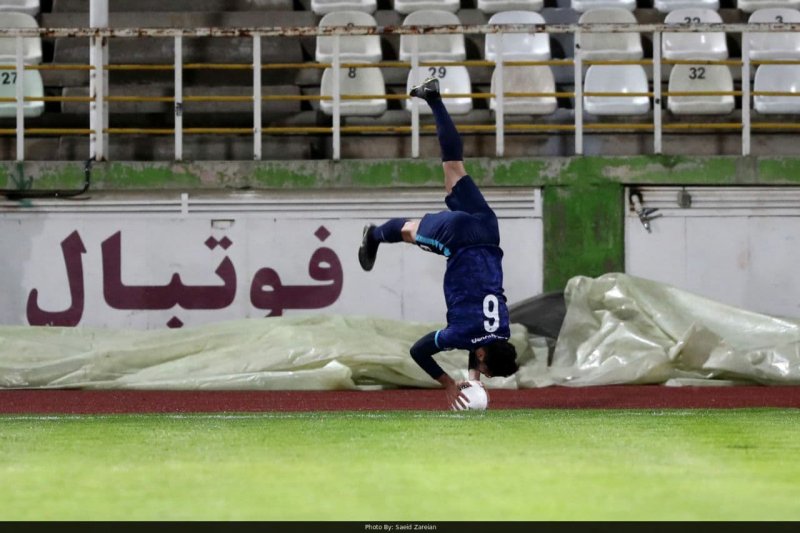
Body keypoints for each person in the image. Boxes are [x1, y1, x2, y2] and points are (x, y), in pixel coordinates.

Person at [358, 77, 519, 409]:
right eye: (486, 371)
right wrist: (448, 384)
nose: (485, 374)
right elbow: (419, 350)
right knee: (407, 231)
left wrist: (473, 380)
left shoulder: (501, 329)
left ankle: (433, 98)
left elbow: (479, 343)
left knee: (454, 167)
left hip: (489, 231)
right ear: (484, 354)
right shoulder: (462, 337)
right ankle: (373, 235)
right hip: (458, 238)